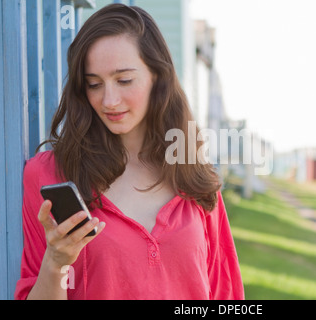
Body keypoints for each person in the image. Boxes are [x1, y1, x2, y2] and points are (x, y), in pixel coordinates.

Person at [14, 3, 244, 300]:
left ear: (157, 78)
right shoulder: (48, 174)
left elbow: (225, 294)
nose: (109, 100)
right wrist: (56, 262)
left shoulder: (192, 171)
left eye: (124, 80)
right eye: (94, 84)